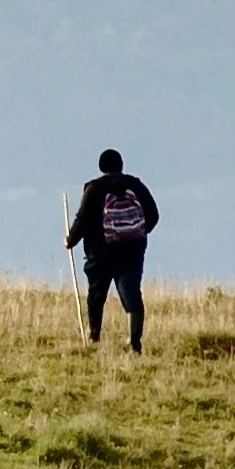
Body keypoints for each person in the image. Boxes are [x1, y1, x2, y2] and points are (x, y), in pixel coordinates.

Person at [64, 149, 159, 353]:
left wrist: (70, 241)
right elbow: (154, 215)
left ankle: (94, 336)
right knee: (131, 293)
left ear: (101, 167)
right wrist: (139, 231)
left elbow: (83, 219)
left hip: (100, 252)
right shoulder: (136, 185)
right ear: (121, 165)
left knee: (96, 294)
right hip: (132, 251)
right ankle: (134, 341)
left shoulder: (94, 188)